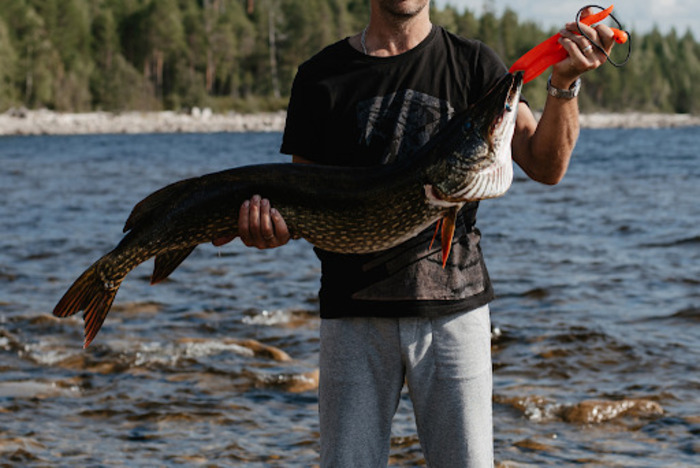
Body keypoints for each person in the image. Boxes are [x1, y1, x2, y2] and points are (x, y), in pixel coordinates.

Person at [233, 1, 616, 466]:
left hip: (455, 312)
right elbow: (307, 200)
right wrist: (269, 228)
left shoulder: (475, 64)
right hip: (352, 317)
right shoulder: (321, 75)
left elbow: (546, 165)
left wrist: (563, 84)